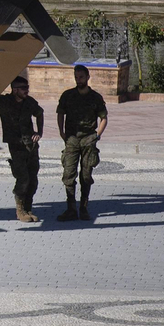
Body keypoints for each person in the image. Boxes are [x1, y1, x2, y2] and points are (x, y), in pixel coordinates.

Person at [56, 64, 108, 222]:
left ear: (87, 77)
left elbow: (103, 118)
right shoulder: (68, 95)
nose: (78, 80)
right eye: (76, 77)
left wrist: (97, 135)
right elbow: (60, 113)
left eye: (81, 77)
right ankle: (71, 208)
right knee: (68, 174)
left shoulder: (95, 97)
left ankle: (83, 207)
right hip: (72, 139)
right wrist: (61, 132)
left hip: (88, 140)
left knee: (86, 175)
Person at [0, 76, 43, 222]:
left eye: (27, 87)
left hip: (31, 145)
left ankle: (28, 209)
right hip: (16, 145)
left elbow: (39, 113)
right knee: (23, 178)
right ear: (15, 90)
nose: (27, 91)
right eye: (23, 88)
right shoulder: (3, 102)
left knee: (33, 180)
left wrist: (39, 132)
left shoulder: (29, 102)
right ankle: (20, 211)